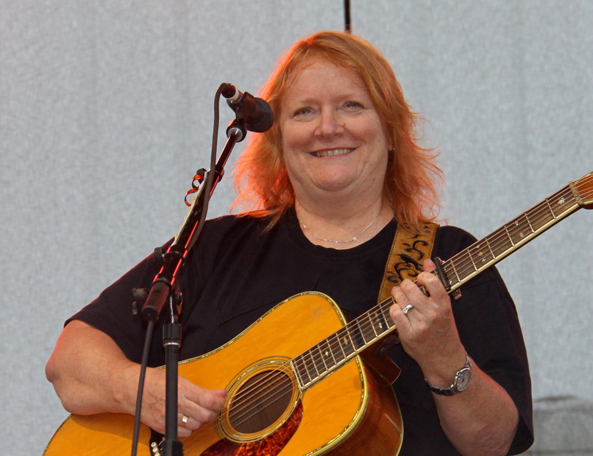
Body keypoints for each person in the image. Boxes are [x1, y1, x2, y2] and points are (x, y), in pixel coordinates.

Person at [46, 31, 533, 455]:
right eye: (304, 111)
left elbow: (493, 444)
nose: (327, 127)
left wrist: (445, 357)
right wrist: (141, 388)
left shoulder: (446, 260)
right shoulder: (216, 247)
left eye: (351, 106)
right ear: (277, 141)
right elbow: (69, 363)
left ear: (390, 132)